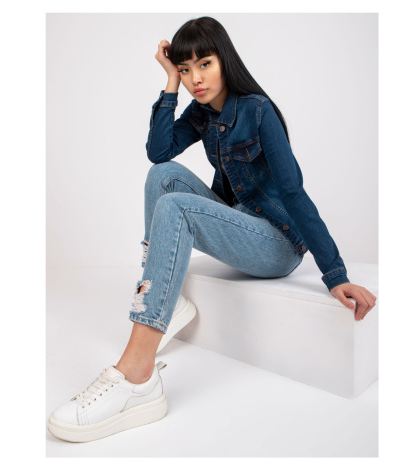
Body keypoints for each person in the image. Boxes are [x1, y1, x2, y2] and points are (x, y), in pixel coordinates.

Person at [47, 16, 377, 442]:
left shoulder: (257, 110)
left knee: (177, 205)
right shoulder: (201, 113)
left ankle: (137, 377)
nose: (195, 79)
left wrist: (336, 274)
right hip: (238, 220)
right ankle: (163, 298)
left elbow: (294, 193)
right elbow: (158, 152)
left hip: (276, 242)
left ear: (225, 59)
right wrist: (169, 84)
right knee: (163, 176)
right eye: (185, 70)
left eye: (204, 64)